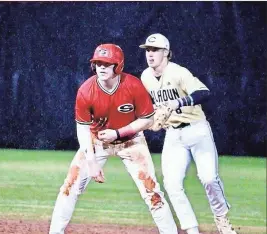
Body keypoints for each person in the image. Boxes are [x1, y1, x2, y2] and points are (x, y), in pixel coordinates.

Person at [49, 43, 178, 234]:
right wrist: (91, 161)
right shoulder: (86, 91)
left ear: (118, 66)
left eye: (107, 63)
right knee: (69, 188)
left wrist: (118, 133)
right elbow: (83, 129)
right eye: (98, 63)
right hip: (98, 141)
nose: (101, 67)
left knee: (153, 193)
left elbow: (148, 119)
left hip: (131, 141)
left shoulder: (133, 85)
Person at [139, 33, 237, 234]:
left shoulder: (178, 72)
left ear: (166, 52)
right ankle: (191, 230)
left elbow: (204, 93)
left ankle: (222, 220)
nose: (150, 54)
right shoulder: (145, 77)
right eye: (147, 50)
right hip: (173, 135)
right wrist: (154, 120)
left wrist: (177, 103)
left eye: (155, 50)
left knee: (209, 178)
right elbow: (152, 108)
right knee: (172, 184)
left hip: (197, 129)